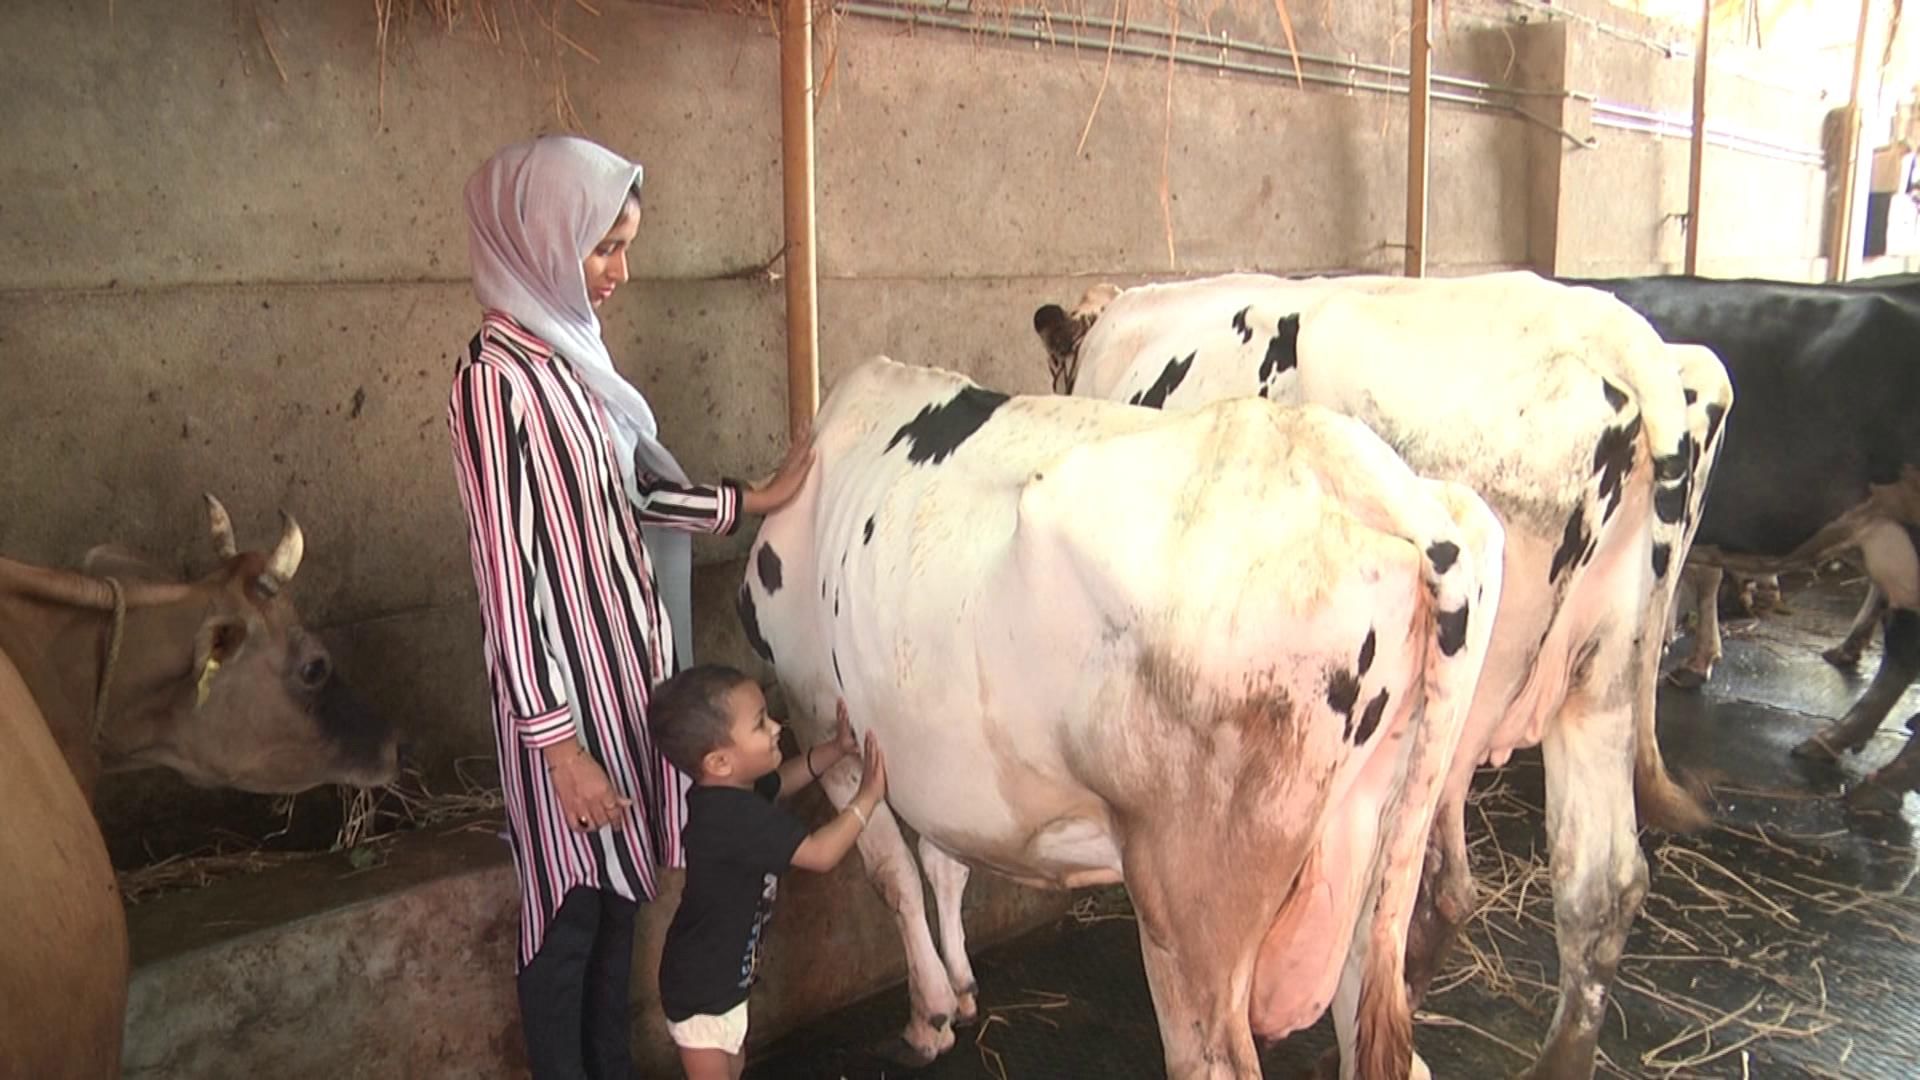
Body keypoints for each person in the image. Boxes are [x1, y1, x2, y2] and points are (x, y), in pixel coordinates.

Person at [446, 134, 812, 1080]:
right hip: (563, 707)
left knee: (617, 906)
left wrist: (751, 501)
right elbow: (506, 577)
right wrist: (557, 747)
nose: (618, 272)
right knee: (566, 914)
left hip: (625, 689)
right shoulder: (498, 381)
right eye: (602, 247)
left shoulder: (574, 362)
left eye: (625, 247)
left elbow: (636, 497)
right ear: (541, 240)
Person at [648, 666, 888, 1080]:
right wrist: (867, 799)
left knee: (734, 1065)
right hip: (702, 990)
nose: (777, 726)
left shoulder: (723, 794)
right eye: (760, 723)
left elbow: (780, 781)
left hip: (721, 979)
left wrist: (836, 748)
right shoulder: (734, 817)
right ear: (720, 761)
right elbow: (821, 853)